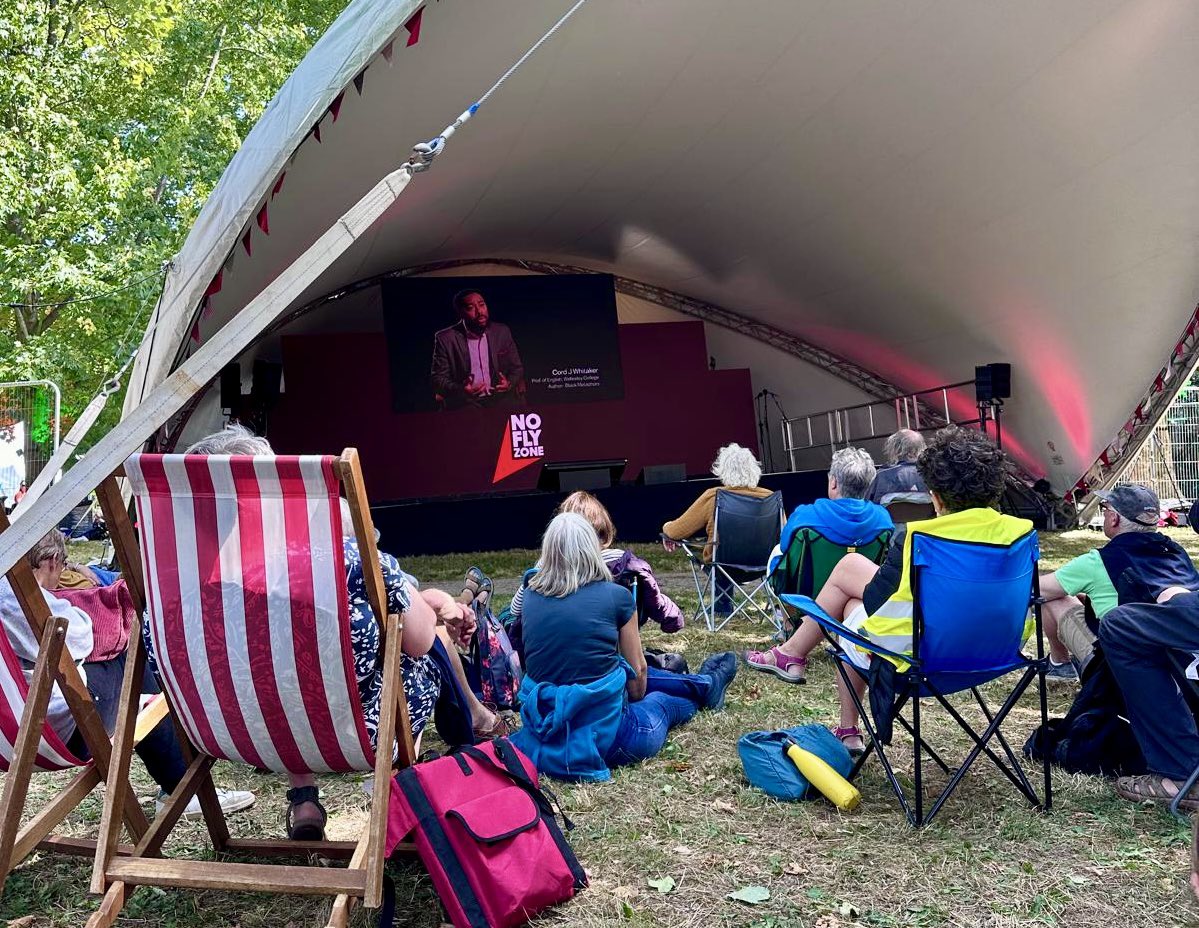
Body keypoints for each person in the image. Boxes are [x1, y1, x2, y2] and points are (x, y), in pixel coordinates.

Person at [160, 425, 502, 840]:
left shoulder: (172, 588)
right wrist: (428, 603)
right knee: (411, 656)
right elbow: (419, 640)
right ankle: (423, 776)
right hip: (354, 736)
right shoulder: (340, 561)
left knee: (279, 675)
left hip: (234, 734)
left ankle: (303, 798)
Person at [750, 427, 1029, 753]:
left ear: (936, 495)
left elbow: (876, 602)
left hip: (918, 658)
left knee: (851, 606)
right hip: (995, 653)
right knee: (852, 574)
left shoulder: (921, 539)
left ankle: (837, 713)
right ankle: (796, 659)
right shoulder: (1019, 534)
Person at [0, 530, 255, 819]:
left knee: (125, 668)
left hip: (6, 738)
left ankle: (176, 783)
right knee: (134, 654)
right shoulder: (19, 597)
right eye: (64, 564)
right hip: (54, 733)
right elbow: (80, 637)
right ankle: (180, 787)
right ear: (51, 562)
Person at [509, 513, 737, 781]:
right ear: (592, 548)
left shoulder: (531, 596)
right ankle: (704, 689)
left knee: (610, 673)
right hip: (610, 737)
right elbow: (638, 677)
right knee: (660, 701)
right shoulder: (616, 596)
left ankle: (705, 683)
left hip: (545, 729)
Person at [750, 447, 893, 682]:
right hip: (857, 592)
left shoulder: (807, 515)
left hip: (806, 591)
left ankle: (789, 628)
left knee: (777, 555)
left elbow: (786, 549)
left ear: (834, 483)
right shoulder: (883, 520)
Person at [1039, 483, 1199, 683]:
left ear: (1114, 518)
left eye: (1105, 508)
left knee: (1054, 597)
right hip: (1180, 663)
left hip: (1119, 661)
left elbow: (1038, 589)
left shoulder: (1098, 561)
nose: (1105, 513)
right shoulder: (1176, 552)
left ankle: (1060, 665)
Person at [507, 491, 684, 634]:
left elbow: (516, 611)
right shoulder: (629, 567)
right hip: (616, 649)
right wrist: (674, 619)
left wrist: (543, 563)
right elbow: (658, 604)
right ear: (603, 530)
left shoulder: (544, 572)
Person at [661, 443, 773, 615]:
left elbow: (676, 531)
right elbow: (785, 534)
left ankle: (723, 605)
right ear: (754, 469)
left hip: (722, 566)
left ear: (722, 470)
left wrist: (666, 530)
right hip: (762, 564)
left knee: (718, 548)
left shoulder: (714, 496)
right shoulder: (769, 497)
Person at [430, 288, 525, 409]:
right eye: (471, 308)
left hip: (500, 399)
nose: (480, 312)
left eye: (482, 304)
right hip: (466, 402)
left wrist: (509, 383)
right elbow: (438, 379)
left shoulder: (501, 331)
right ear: (460, 313)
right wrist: (461, 390)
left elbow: (517, 367)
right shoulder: (446, 338)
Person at [865, 429, 930, 505]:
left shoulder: (879, 476)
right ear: (921, 448)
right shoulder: (932, 474)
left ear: (896, 450)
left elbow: (867, 507)